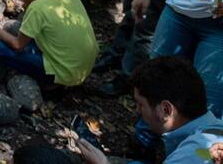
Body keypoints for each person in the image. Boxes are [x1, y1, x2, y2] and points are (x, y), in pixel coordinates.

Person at [77, 57, 223, 164]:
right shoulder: (215, 130)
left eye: (141, 104)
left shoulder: (191, 156)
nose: (137, 110)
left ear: (166, 110)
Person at [0, 0, 98, 88]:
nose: (21, 1)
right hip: (85, 67)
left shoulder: (37, 8)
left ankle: (51, 84)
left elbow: (18, 45)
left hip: (67, 74)